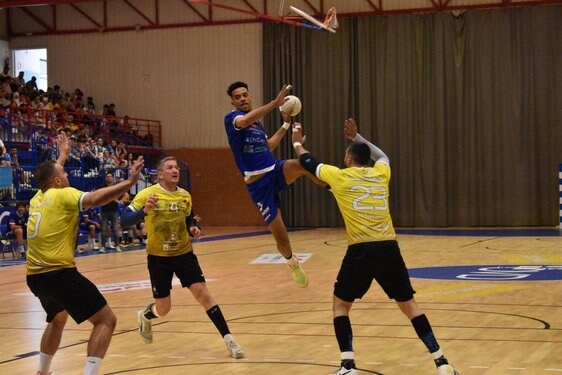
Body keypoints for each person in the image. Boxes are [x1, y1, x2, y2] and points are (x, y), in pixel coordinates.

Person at [291, 119, 460, 375]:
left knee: (340, 306)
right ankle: (442, 362)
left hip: (361, 249)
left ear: (348, 159)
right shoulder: (381, 174)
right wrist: (357, 136)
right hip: (389, 247)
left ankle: (348, 366)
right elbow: (382, 155)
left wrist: (296, 141)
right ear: (366, 159)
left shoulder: (339, 176)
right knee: (410, 306)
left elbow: (307, 162)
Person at [26, 132, 144, 375]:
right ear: (57, 182)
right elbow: (94, 199)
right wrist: (129, 183)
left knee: (58, 318)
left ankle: (42, 372)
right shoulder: (63, 194)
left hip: (35, 276)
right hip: (59, 274)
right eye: (64, 174)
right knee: (106, 320)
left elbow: (53, 171)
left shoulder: (38, 197)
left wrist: (63, 156)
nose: (67, 175)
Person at [121, 156, 244, 359]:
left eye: (176, 167)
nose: (175, 170)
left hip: (184, 254)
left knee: (203, 295)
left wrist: (193, 229)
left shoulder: (185, 195)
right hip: (159, 258)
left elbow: (189, 219)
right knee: (164, 308)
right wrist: (145, 211)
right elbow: (124, 220)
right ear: (160, 174)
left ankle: (229, 340)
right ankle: (145, 315)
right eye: (169, 167)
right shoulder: (147, 194)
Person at [224, 81, 325, 287]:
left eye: (245, 94)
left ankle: (334, 187)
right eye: (237, 97)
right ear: (233, 102)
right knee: (282, 239)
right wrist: (274, 103)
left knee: (301, 165)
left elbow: (269, 145)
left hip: (274, 170)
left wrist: (286, 124)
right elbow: (243, 122)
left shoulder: (258, 125)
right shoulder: (232, 119)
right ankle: (292, 263)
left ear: (250, 96)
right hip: (258, 186)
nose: (242, 98)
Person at [97, 172, 123, 253]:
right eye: (107, 176)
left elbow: (125, 194)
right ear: (105, 178)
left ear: (112, 178)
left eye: (110, 176)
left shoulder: (116, 187)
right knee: (104, 230)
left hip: (114, 211)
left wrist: (120, 201)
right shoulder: (102, 187)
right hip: (104, 211)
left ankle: (117, 246)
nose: (109, 178)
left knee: (116, 229)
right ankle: (103, 247)